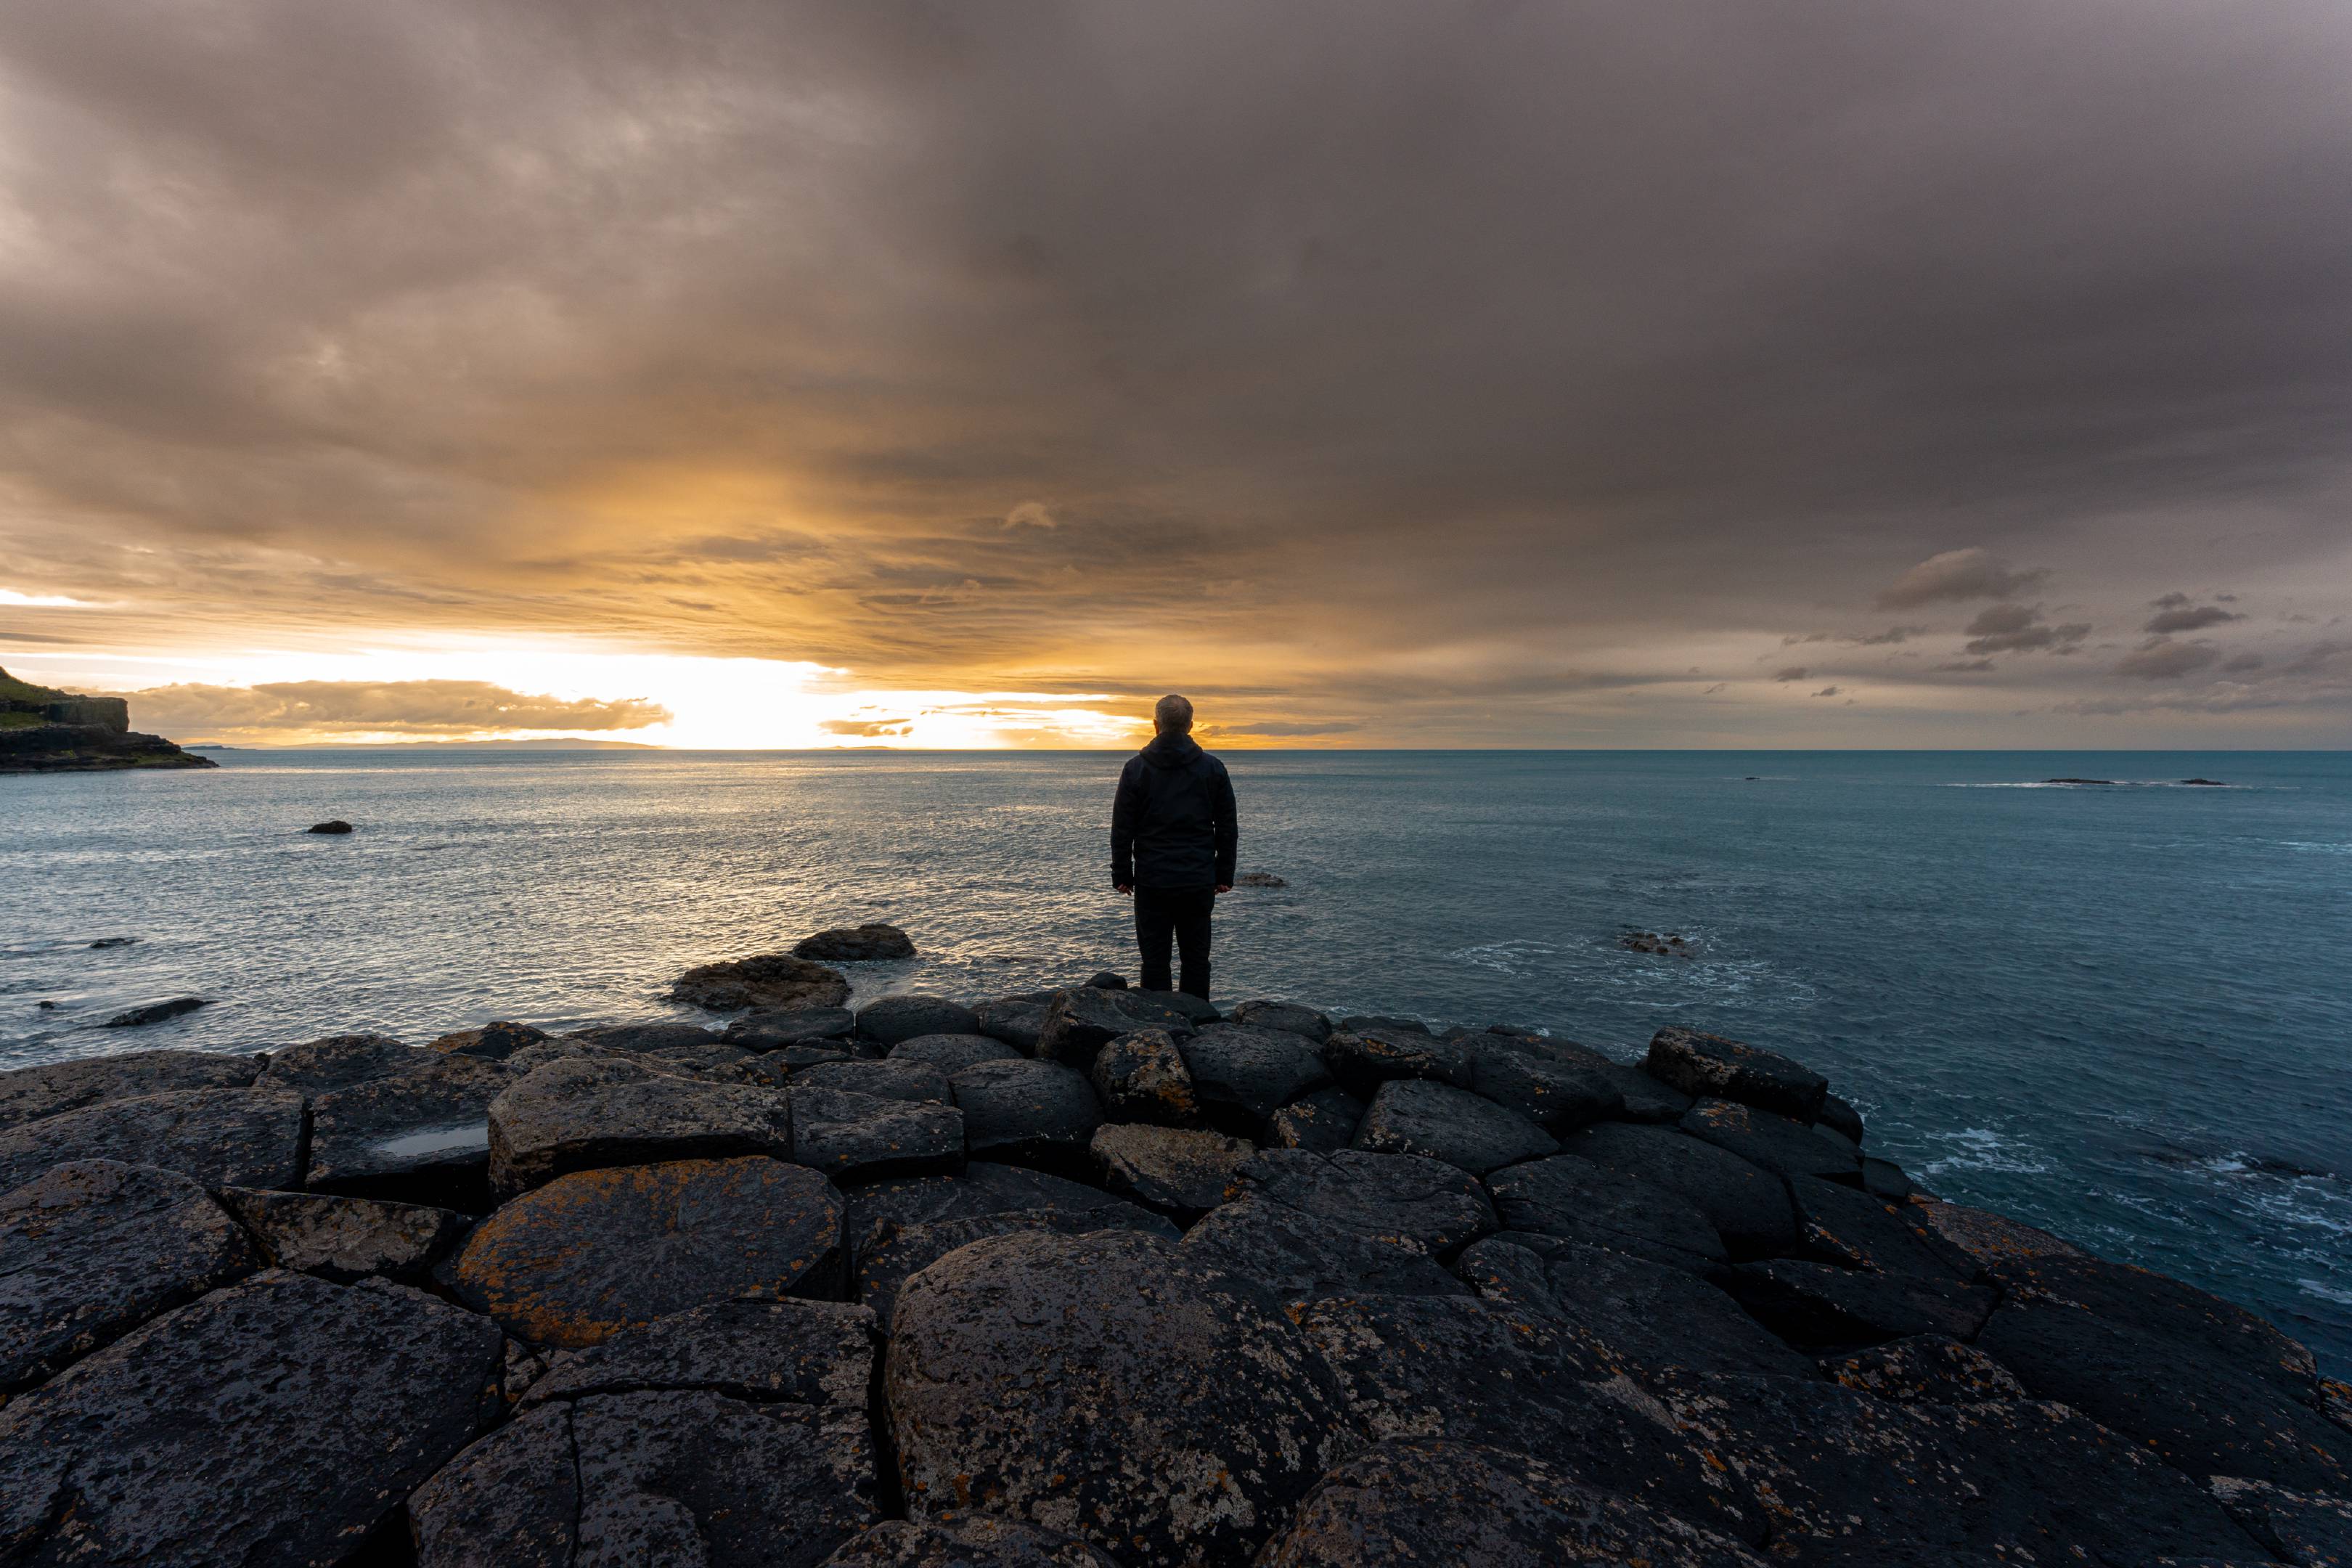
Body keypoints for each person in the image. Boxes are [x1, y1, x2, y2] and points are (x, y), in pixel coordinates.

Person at [1111, 693, 1236, 999]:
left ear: (1155, 725)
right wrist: (1224, 874)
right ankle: (1197, 1026)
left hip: (1153, 879)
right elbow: (1227, 827)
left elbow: (1122, 828)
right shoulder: (1212, 768)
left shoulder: (1136, 769)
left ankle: (1159, 1025)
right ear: (1191, 726)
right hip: (1197, 878)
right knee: (1195, 959)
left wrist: (1122, 874)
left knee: (1155, 961)